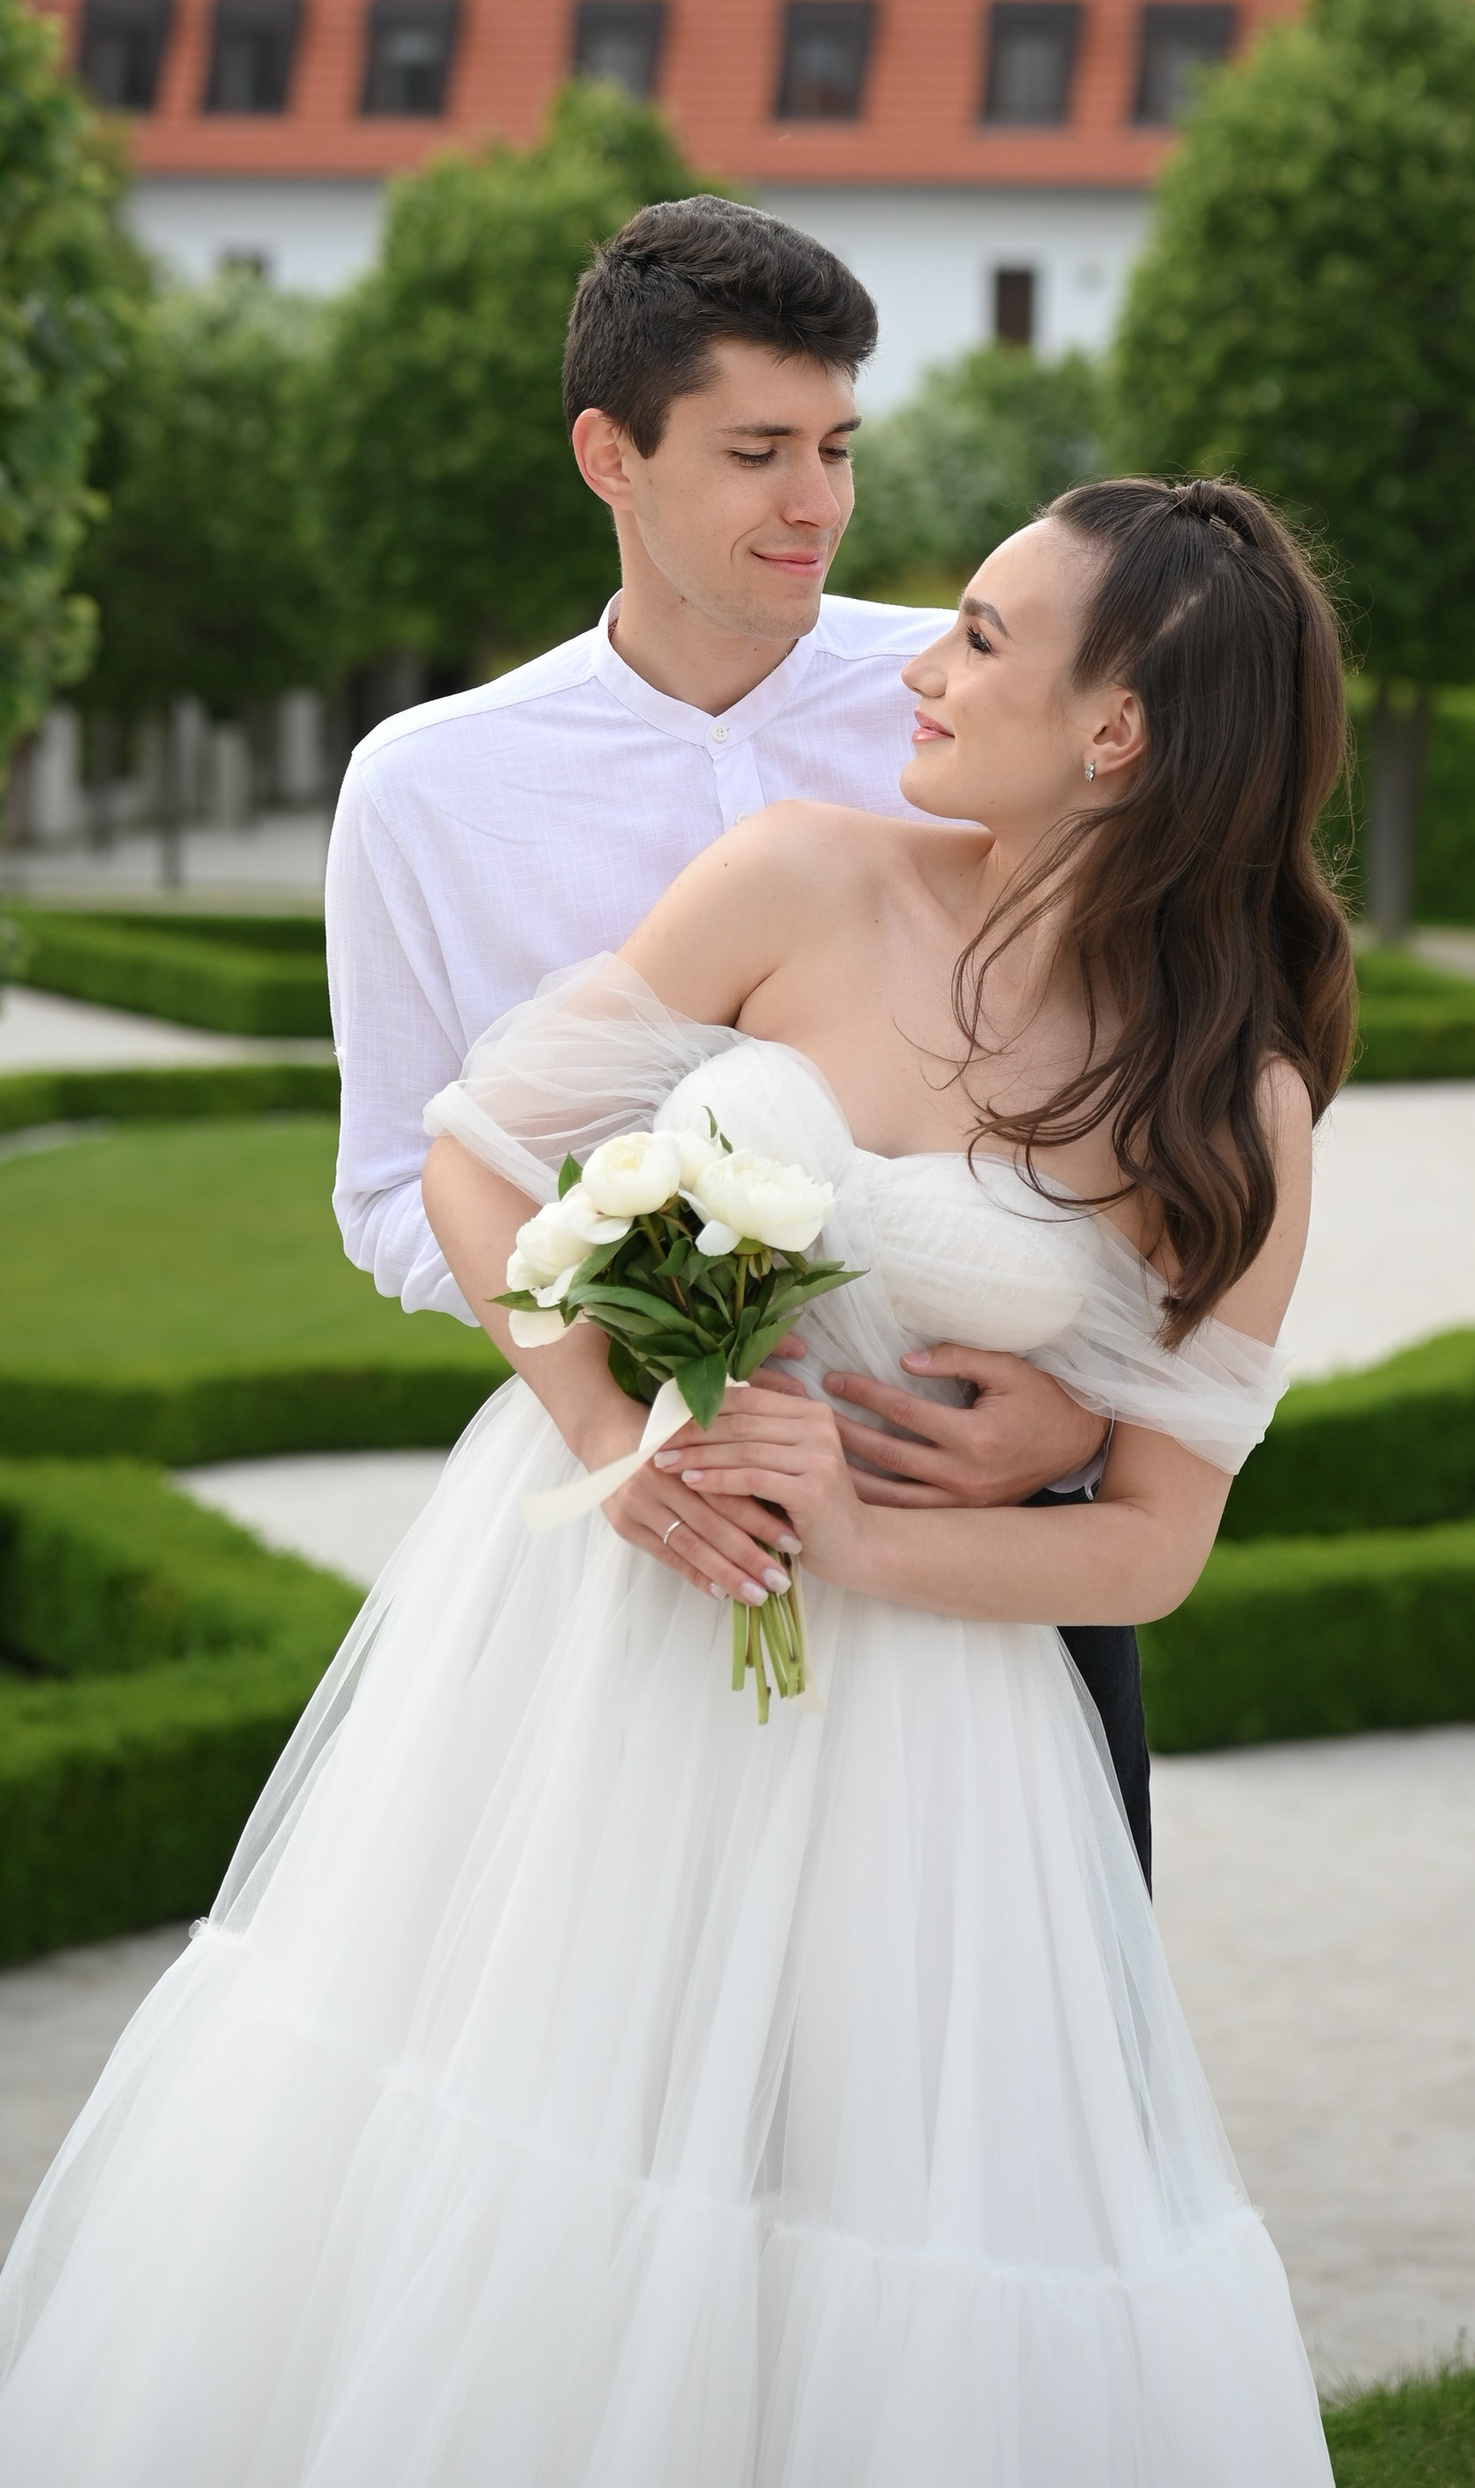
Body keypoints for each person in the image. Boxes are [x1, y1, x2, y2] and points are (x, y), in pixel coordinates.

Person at [0, 467, 1355, 2488]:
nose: (913, 661)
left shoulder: (1231, 1103)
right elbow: (479, 1154)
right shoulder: (799, 876)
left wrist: (861, 1526)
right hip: (593, 1641)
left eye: (972, 633)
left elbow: (1150, 1546)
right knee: (504, 2144)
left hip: (930, 1744)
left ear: (1114, 732)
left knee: (869, 2231)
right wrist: (626, 1438)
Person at [325, 197, 1152, 1866]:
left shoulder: (967, 704)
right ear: (606, 455)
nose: (820, 504)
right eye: (761, 449)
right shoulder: (426, 789)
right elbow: (398, 1192)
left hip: (976, 1536)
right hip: (624, 1545)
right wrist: (631, 1401)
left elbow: (1154, 1084)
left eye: (842, 445)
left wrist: (1085, 1418)